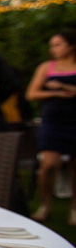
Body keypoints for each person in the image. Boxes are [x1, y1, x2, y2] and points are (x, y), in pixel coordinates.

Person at [25, 29, 76, 225]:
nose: (53, 49)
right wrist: (54, 93)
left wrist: (66, 88)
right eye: (52, 45)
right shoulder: (47, 67)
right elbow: (32, 94)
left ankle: (74, 208)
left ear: (71, 46)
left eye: (58, 44)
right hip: (53, 121)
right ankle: (45, 204)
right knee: (48, 165)